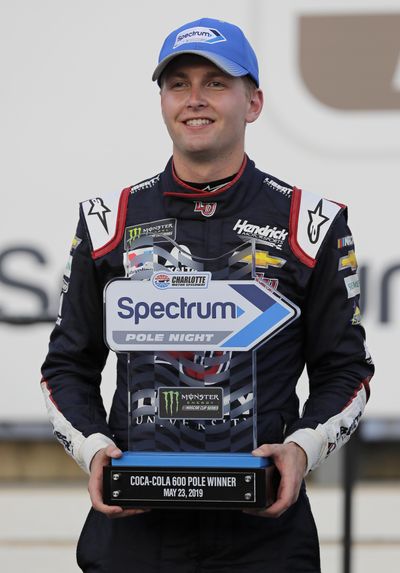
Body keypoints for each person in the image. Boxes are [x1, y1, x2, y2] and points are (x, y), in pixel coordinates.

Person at [41, 17, 374, 573]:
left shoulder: (311, 223)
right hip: (135, 530)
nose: (195, 99)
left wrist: (300, 450)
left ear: (254, 102)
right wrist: (96, 450)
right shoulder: (108, 222)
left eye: (216, 83)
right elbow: (64, 368)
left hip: (264, 532)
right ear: (163, 100)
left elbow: (347, 371)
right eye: (178, 84)